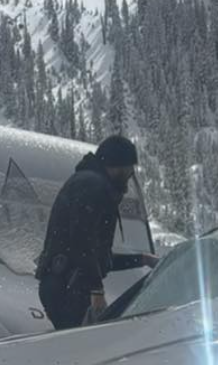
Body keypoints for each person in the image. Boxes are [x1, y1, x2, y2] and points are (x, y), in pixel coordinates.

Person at [35, 134, 154, 330]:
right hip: (69, 288)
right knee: (83, 349)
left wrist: (142, 259)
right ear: (118, 166)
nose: (130, 174)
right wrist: (96, 291)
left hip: (63, 284)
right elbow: (82, 243)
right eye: (128, 168)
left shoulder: (88, 182)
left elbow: (95, 256)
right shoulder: (94, 187)